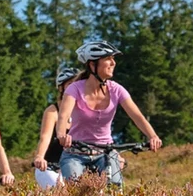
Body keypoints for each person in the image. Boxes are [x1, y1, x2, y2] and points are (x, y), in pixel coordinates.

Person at [56, 41, 162, 186]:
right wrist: (62, 134)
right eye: (108, 59)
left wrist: (153, 136)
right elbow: (63, 116)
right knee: (76, 190)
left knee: (115, 186)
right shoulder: (74, 89)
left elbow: (137, 116)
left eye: (113, 59)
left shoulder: (116, 90)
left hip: (104, 152)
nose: (113, 63)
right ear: (92, 65)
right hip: (75, 153)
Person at [31, 67, 81, 188]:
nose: (74, 88)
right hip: (50, 167)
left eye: (77, 84)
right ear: (61, 88)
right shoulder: (52, 111)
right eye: (70, 84)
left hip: (75, 166)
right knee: (61, 195)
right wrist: (39, 157)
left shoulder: (83, 112)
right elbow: (45, 137)